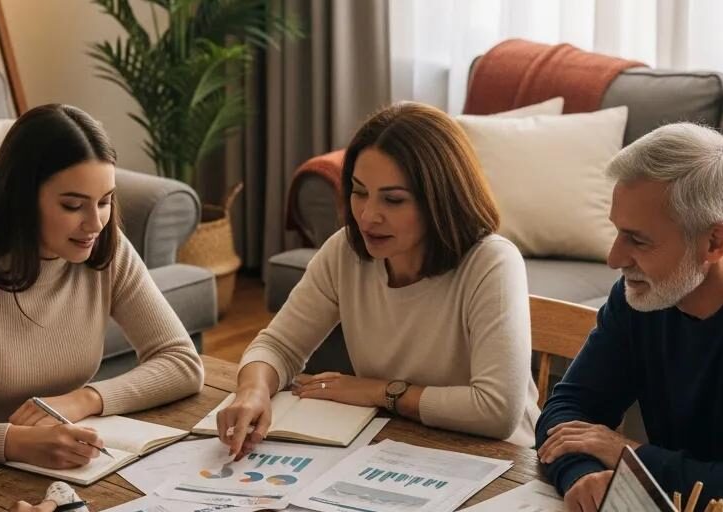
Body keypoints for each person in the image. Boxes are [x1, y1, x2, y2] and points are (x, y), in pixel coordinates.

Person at [0, 104, 204, 469]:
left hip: (68, 464)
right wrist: (13, 442)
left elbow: (182, 363)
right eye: (72, 205)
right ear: (22, 198)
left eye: (105, 201)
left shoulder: (105, 250)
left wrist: (83, 400)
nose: (94, 223)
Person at [219, 101, 540, 457]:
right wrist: (252, 390)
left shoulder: (491, 262)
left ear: (439, 200)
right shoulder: (345, 252)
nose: (368, 216)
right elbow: (278, 346)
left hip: (501, 462)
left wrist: (380, 391)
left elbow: (496, 411)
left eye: (393, 200)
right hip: (398, 446)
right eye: (359, 192)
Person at [536, 123, 723, 511]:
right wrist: (584, 476)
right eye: (618, 232)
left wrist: (629, 457)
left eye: (637, 239)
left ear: (714, 242)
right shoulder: (643, 293)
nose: (614, 259)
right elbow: (565, 414)